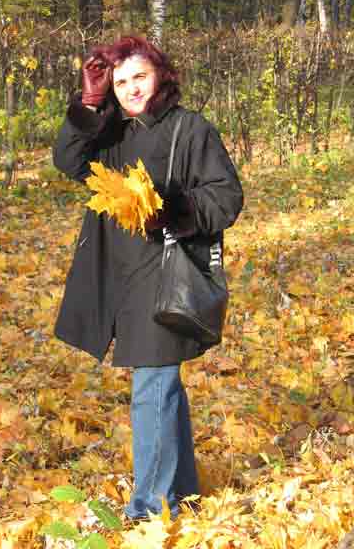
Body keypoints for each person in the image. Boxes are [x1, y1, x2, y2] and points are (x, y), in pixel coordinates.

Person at [52, 35, 243, 520]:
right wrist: (88, 105)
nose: (132, 89)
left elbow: (226, 197)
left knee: (152, 386)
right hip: (115, 276)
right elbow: (68, 161)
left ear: (160, 75)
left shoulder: (190, 129)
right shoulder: (110, 132)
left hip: (166, 272)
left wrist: (172, 210)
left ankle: (149, 513)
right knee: (160, 385)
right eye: (120, 83)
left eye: (140, 76)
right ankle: (183, 493)